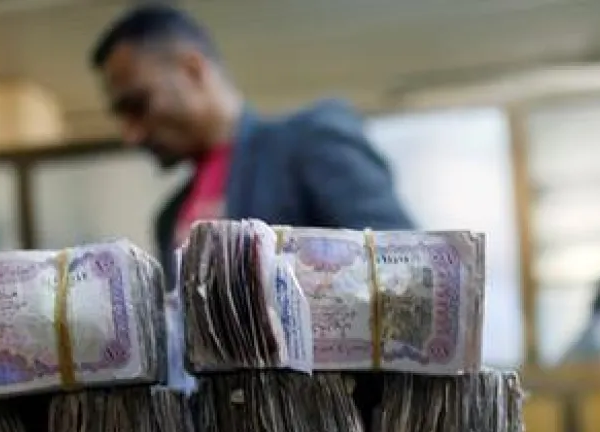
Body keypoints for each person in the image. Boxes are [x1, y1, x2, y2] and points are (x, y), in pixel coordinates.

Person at [91, 4, 415, 270]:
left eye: (137, 105)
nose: (131, 135)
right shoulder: (169, 218)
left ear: (192, 70)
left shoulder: (309, 142)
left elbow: (402, 272)